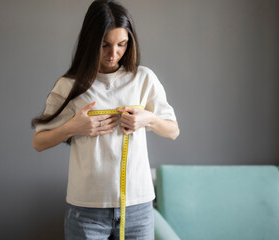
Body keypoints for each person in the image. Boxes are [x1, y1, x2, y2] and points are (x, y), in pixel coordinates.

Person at [31, 0, 179, 239]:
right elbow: (39, 142)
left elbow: (173, 131)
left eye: (122, 44)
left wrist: (147, 119)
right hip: (86, 210)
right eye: (104, 45)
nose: (114, 54)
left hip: (138, 206)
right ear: (90, 42)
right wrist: (73, 127)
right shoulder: (69, 85)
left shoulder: (144, 79)